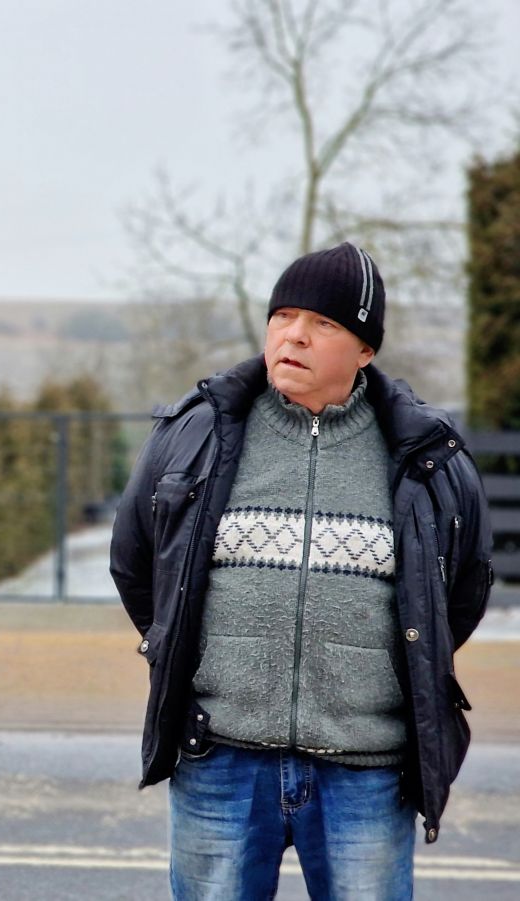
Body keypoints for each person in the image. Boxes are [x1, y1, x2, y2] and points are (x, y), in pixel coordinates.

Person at [110, 242, 493, 899]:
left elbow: (461, 589)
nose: (295, 334)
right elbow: (137, 559)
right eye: (284, 315)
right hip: (221, 757)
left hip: (365, 771)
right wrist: (181, 651)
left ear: (365, 350)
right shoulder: (200, 432)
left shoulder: (425, 455)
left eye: (324, 323)